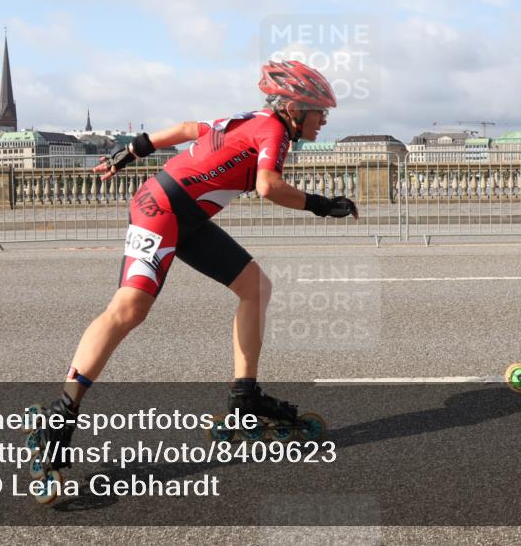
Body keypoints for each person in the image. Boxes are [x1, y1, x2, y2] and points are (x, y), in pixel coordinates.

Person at [29, 60, 358, 477]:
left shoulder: (250, 119)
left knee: (256, 287)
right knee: (129, 310)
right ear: (293, 108)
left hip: (186, 216)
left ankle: (245, 397)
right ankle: (63, 410)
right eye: (319, 110)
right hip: (160, 209)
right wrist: (322, 205)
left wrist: (131, 151)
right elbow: (267, 186)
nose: (324, 118)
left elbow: (188, 129)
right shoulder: (272, 130)